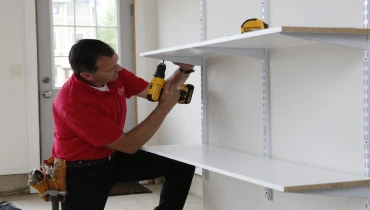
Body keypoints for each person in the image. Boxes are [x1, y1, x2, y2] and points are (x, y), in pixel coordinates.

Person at [51, 39, 196, 210]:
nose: (118, 69)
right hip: (82, 170)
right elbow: (129, 145)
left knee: (181, 165)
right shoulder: (73, 103)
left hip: (112, 156)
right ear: (87, 75)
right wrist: (164, 108)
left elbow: (155, 93)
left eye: (116, 63)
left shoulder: (115, 74)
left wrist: (184, 69)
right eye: (110, 68)